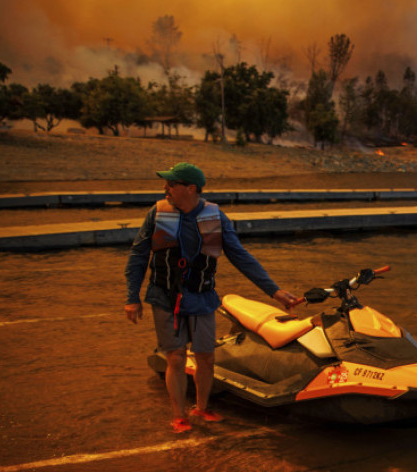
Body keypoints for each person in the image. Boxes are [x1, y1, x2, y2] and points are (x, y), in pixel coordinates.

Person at [124, 162, 300, 433]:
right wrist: (132, 296)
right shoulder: (159, 213)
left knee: (206, 357)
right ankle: (179, 415)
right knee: (176, 358)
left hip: (202, 298)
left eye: (171, 184)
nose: (165, 188)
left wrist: (273, 291)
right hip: (164, 297)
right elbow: (138, 255)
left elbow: (240, 256)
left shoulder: (214, 217)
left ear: (190, 188)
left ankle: (202, 408)